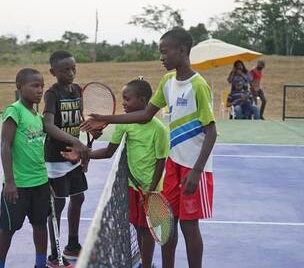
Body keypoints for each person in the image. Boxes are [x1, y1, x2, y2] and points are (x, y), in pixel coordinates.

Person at [81, 28, 217, 268]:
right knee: (168, 223)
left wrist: (196, 171)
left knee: (188, 225)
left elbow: (211, 132)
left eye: (165, 52)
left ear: (182, 51)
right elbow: (144, 115)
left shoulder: (198, 86)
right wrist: (106, 118)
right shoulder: (167, 81)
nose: (161, 58)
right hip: (174, 166)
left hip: (195, 168)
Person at [62, 79, 169, 268]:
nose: (124, 103)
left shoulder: (159, 129)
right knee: (137, 227)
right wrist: (82, 155)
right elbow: (108, 152)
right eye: (123, 99)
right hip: (131, 187)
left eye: (127, 99)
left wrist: (151, 191)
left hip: (151, 190)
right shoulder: (123, 125)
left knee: (147, 229)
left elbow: (161, 161)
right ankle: (145, 261)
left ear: (143, 101)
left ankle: (146, 265)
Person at [0, 68, 49, 268]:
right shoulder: (14, 110)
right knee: (8, 229)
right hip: (18, 185)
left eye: (42, 85)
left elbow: (38, 148)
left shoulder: (36, 115)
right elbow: (5, 145)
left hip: (40, 182)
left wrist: (46, 179)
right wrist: (10, 181)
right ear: (20, 87)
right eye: (35, 86)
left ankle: (40, 264)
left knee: (41, 226)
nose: (40, 90)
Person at [43, 50, 90, 267]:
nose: (70, 73)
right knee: (57, 206)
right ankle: (54, 255)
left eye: (73, 68)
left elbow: (80, 120)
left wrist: (88, 138)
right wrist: (75, 142)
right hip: (56, 159)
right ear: (54, 72)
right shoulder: (52, 94)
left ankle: (73, 244)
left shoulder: (77, 90)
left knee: (78, 198)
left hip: (74, 158)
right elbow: (48, 125)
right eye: (65, 70)